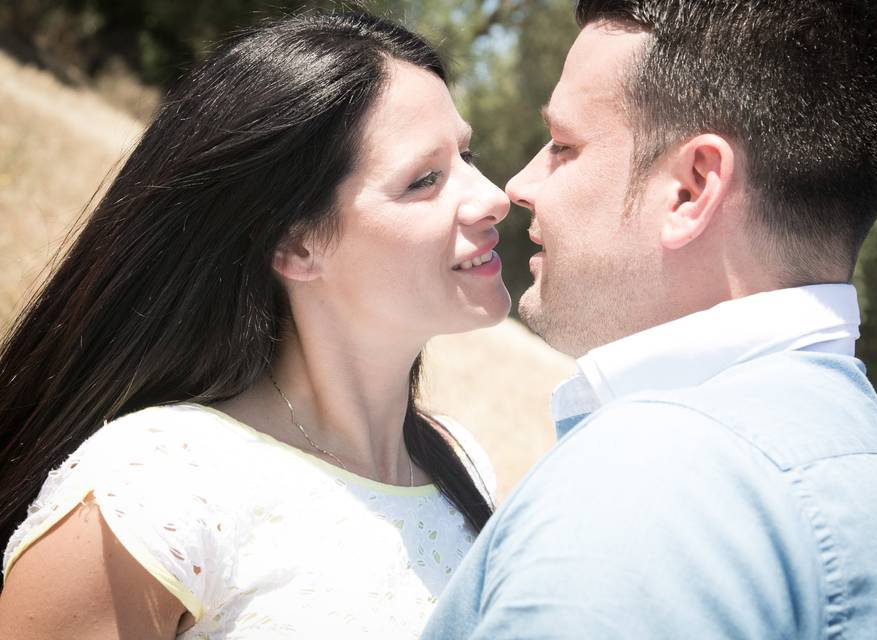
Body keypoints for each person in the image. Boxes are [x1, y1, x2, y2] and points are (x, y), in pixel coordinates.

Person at [423, 0, 877, 638]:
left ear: (693, 187)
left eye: (563, 145)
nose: (519, 184)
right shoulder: (864, 470)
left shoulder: (646, 486)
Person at [0, 11, 509, 639]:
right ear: (295, 247)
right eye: (424, 179)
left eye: (468, 154)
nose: (493, 196)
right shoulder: (155, 488)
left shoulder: (463, 465)